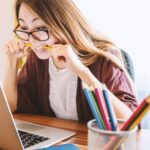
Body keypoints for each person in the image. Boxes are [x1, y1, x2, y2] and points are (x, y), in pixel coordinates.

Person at [0, 0, 138, 123]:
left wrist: (81, 71)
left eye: (41, 28)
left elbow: (129, 123)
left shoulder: (104, 56)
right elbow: (10, 107)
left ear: (62, 24)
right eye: (24, 29)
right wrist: (12, 63)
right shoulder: (37, 59)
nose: (31, 40)